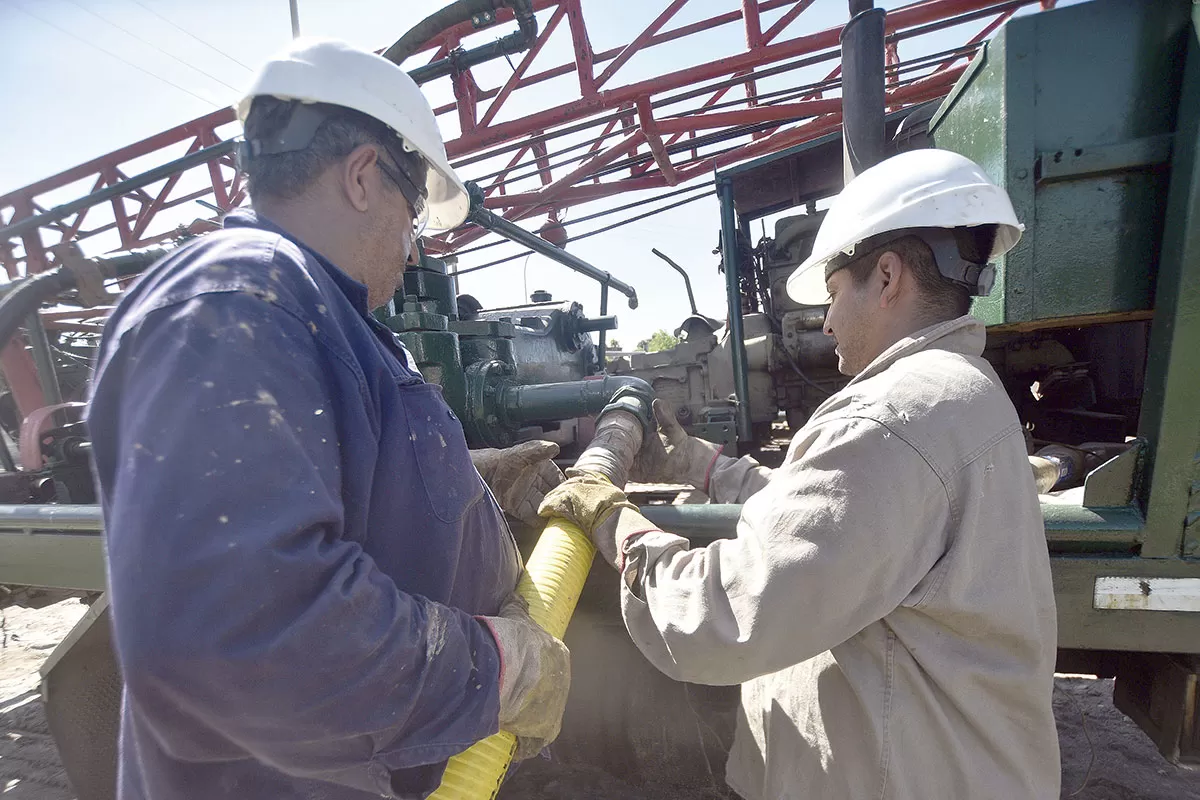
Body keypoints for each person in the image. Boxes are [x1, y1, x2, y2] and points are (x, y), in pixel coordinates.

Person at [87, 38, 569, 800]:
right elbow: (244, 634)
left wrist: (465, 481)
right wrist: (495, 668)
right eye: (415, 213)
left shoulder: (310, 311)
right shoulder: (238, 300)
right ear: (362, 176)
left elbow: (332, 484)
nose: (413, 248)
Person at [540, 149, 1061, 799]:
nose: (828, 321)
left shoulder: (889, 416)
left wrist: (612, 521)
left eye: (836, 293)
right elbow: (840, 528)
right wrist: (705, 469)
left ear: (889, 276)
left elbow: (726, 616)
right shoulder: (960, 393)